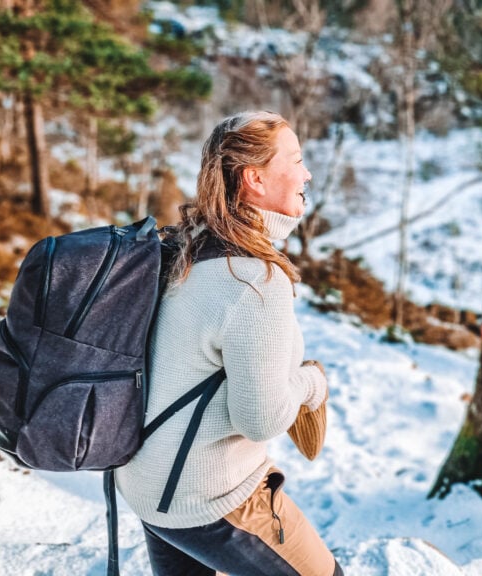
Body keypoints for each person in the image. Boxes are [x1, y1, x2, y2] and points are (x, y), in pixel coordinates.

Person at [114, 111, 342, 576]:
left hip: (146, 481)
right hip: (207, 497)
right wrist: (312, 384)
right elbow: (261, 419)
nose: (307, 173)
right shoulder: (255, 281)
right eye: (296, 160)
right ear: (255, 179)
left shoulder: (187, 244)